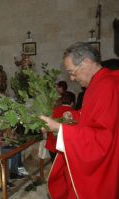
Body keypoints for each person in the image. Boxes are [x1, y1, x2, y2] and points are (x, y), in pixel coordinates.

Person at [40, 42, 119, 199]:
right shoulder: (97, 84)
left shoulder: (107, 86)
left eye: (72, 72)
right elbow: (94, 118)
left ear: (86, 63)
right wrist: (73, 117)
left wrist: (59, 129)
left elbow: (104, 137)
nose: (72, 78)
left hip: (103, 171)